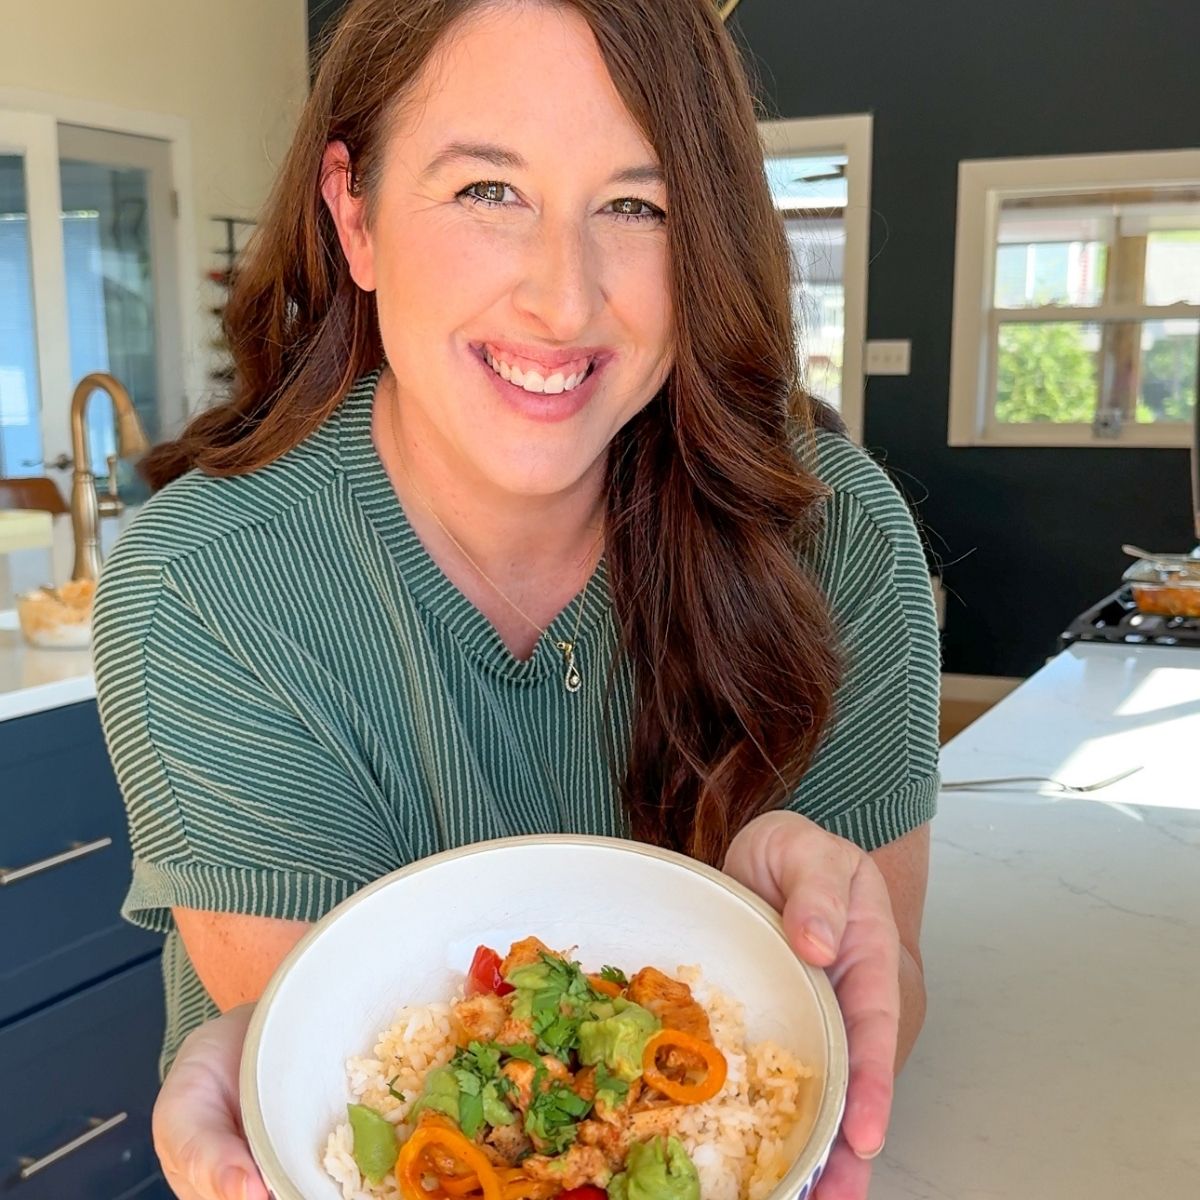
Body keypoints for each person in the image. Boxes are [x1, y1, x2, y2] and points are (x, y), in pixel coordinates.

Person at [92, 1, 940, 1198]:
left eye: (637, 205)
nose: (564, 298)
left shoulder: (835, 535)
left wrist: (811, 958)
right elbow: (376, 1088)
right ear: (356, 213)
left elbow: (886, 984)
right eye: (488, 190)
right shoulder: (209, 593)